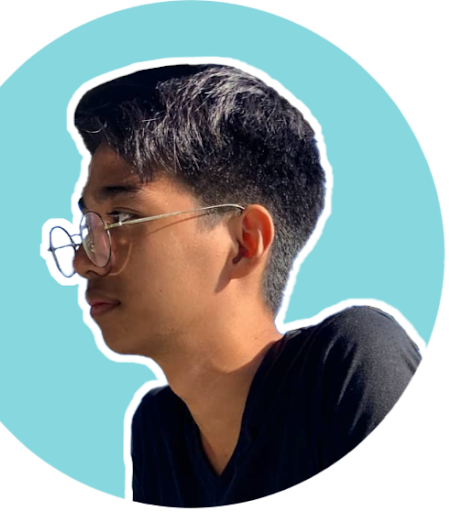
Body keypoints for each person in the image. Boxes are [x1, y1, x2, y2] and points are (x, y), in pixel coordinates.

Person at [48, 64, 422, 506]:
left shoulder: (351, 363)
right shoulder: (159, 431)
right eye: (89, 228)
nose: (82, 261)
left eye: (122, 218)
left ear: (244, 242)